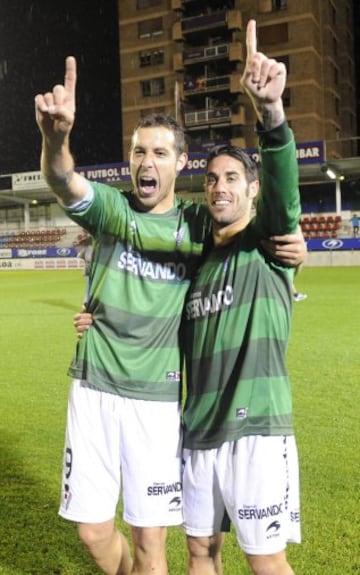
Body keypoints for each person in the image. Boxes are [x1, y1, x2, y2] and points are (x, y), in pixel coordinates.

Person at [35, 55, 306, 575]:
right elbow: (65, 181)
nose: (146, 161)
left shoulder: (202, 226)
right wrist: (55, 139)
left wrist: (271, 113)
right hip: (101, 388)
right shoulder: (113, 213)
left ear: (178, 163)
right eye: (139, 151)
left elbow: (274, 213)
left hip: (160, 405)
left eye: (159, 152)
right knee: (100, 535)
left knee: (170, 551)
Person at [181, 20, 301, 575]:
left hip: (256, 431)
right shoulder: (196, 264)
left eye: (232, 177)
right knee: (201, 552)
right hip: (198, 430)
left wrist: (271, 115)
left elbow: (285, 191)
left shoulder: (272, 244)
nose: (220, 186)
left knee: (265, 560)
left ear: (251, 190)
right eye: (211, 179)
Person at [73, 228, 93, 303]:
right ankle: (87, 301)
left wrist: (80, 241)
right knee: (89, 283)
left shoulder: (90, 240)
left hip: (91, 264)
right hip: (90, 264)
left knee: (89, 284)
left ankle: (87, 301)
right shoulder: (86, 246)